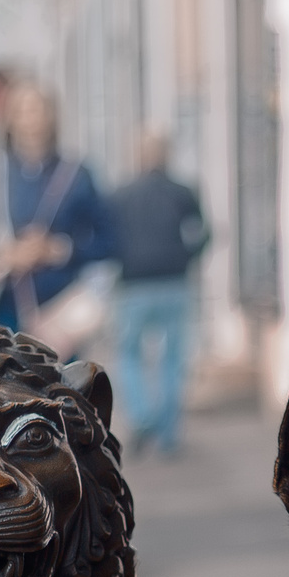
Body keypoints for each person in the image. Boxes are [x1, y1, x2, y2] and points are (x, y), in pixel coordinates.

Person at [0, 84, 114, 346]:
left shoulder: (77, 174)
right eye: (22, 111)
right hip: (5, 308)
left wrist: (58, 250)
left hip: (62, 308)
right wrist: (6, 253)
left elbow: (107, 241)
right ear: (10, 119)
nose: (31, 119)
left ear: (52, 116)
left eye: (38, 110)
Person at [107, 131, 210, 455]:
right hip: (173, 282)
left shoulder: (120, 195)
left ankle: (142, 416)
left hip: (133, 284)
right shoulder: (182, 192)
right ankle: (167, 434)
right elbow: (203, 232)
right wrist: (185, 258)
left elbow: (108, 240)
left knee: (129, 356)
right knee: (173, 359)